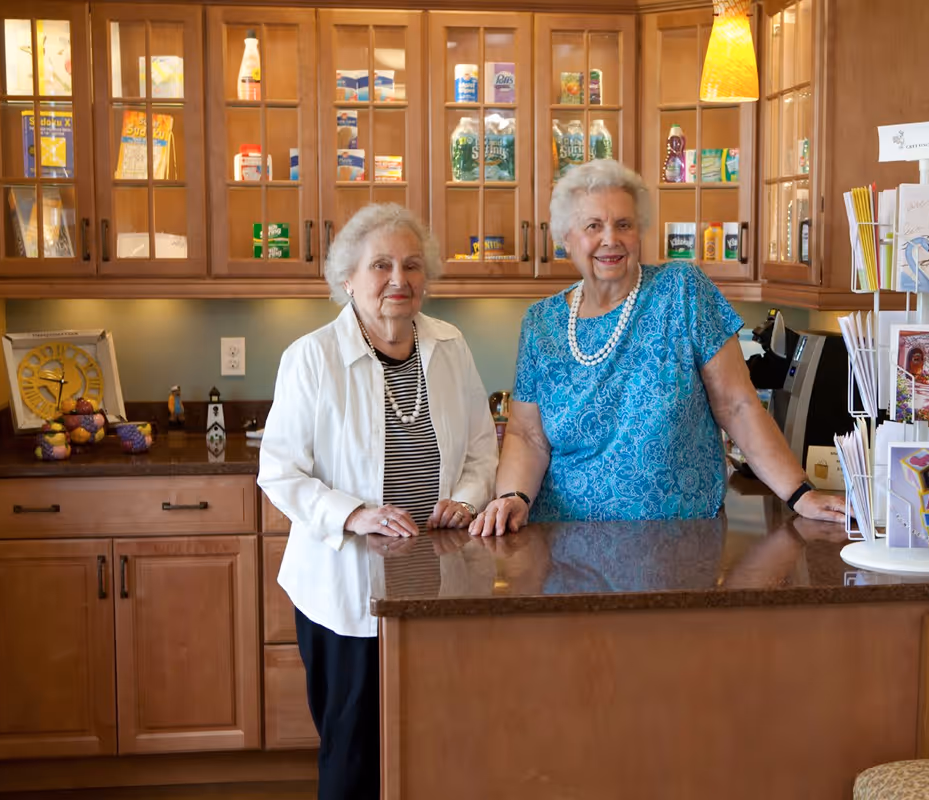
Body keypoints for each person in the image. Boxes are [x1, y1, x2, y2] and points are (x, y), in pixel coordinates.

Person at [258, 203, 497, 799]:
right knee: (354, 752)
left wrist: (466, 500)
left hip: (435, 579)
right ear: (348, 279)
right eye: (381, 265)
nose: (400, 279)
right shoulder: (311, 357)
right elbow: (279, 471)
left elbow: (480, 448)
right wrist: (352, 512)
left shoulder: (450, 344)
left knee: (436, 743)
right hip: (346, 588)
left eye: (413, 265)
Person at [469, 160, 845, 536]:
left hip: (678, 539)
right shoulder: (541, 323)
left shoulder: (682, 290)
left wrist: (799, 494)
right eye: (593, 226)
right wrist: (514, 497)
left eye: (624, 224)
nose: (610, 239)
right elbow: (527, 436)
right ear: (566, 238)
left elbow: (738, 405)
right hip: (566, 541)